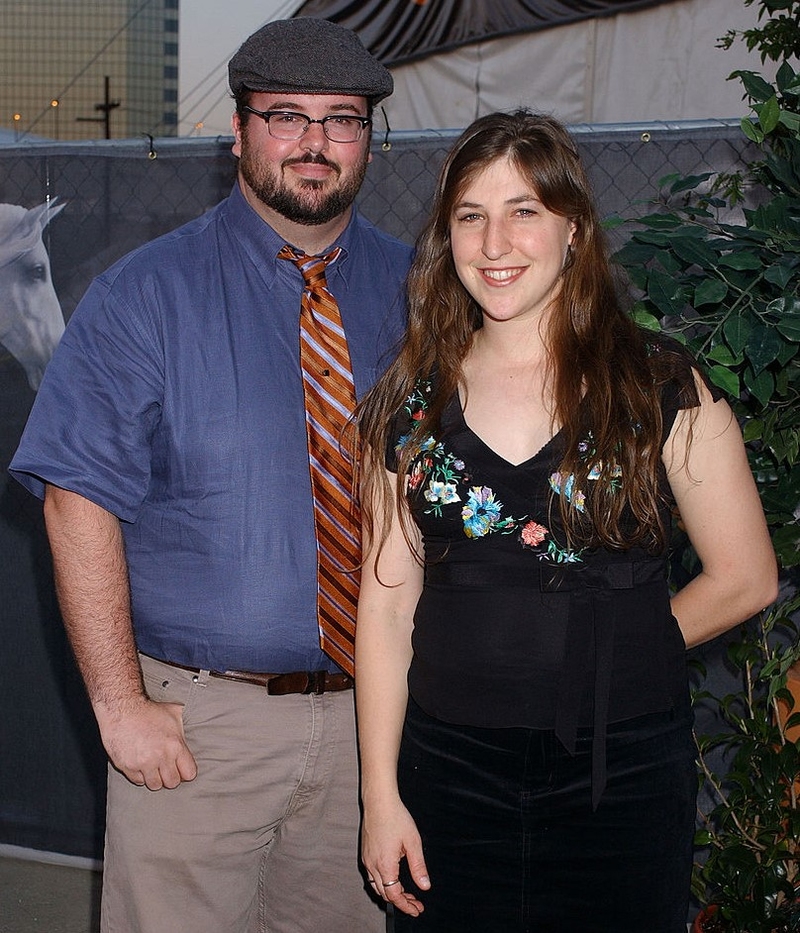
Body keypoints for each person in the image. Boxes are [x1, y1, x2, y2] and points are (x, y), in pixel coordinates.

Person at [10, 17, 411, 933]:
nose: (313, 143)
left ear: (367, 141)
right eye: (286, 115)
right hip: (199, 731)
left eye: (341, 119)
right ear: (238, 131)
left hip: (375, 727)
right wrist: (121, 705)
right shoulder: (144, 294)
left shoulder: (420, 290)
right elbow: (76, 501)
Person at [354, 110, 778, 933]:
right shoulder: (409, 404)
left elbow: (746, 576)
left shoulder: (659, 386)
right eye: (470, 215)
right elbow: (386, 607)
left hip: (622, 779)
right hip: (449, 778)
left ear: (573, 227)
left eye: (524, 211)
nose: (495, 242)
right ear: (447, 238)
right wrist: (380, 797)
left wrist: (613, 649)